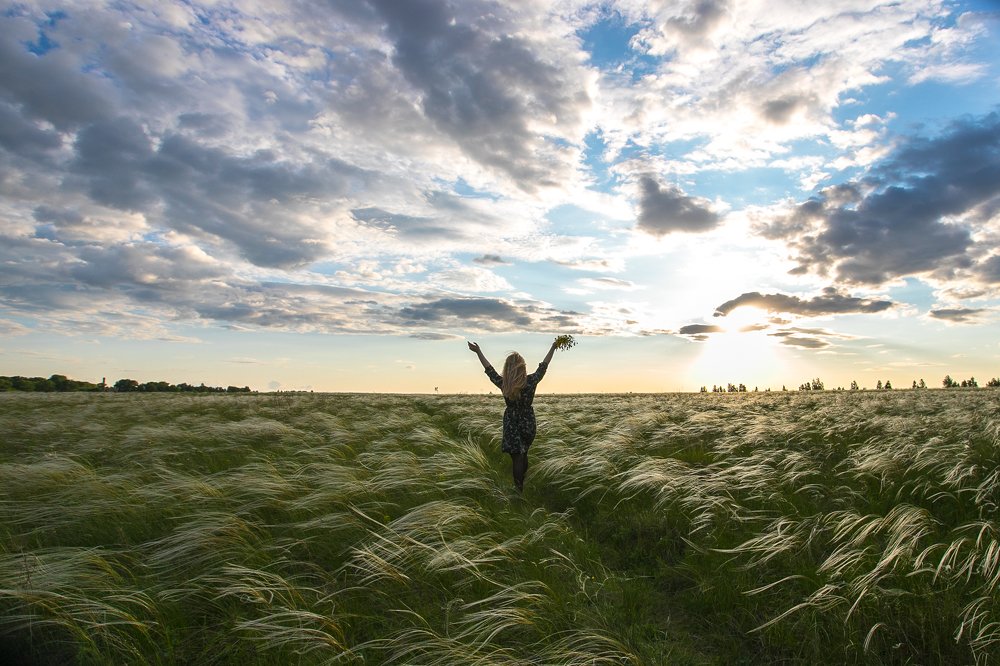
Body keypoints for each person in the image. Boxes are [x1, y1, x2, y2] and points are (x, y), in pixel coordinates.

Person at [468, 339, 557, 492]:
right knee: (524, 452)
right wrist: (553, 347)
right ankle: (522, 485)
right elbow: (543, 366)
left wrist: (478, 352)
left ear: (508, 368)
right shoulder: (531, 381)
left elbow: (489, 370)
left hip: (511, 422)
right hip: (528, 421)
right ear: (522, 367)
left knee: (517, 456)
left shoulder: (504, 383)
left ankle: (518, 489)